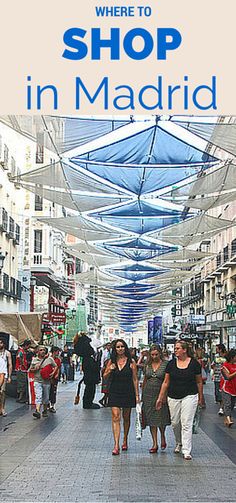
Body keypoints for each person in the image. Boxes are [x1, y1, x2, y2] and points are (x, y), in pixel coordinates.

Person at [156, 340, 204, 461]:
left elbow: (199, 381)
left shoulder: (194, 364)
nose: (175, 350)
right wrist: (160, 397)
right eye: (175, 348)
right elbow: (166, 382)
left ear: (184, 350)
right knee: (175, 422)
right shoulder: (171, 364)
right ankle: (179, 442)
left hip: (190, 395)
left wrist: (200, 397)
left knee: (186, 422)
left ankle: (186, 450)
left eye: (177, 348)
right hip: (173, 396)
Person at [103, 339, 140, 455]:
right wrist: (110, 370)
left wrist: (137, 395)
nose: (120, 349)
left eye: (122, 347)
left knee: (126, 417)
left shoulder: (131, 362)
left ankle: (125, 439)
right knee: (115, 416)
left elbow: (135, 379)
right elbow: (104, 376)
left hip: (127, 391)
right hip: (115, 391)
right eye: (118, 347)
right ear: (115, 349)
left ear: (125, 348)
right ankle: (116, 445)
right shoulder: (111, 361)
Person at [142, 345, 170, 453]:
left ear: (160, 353)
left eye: (156, 354)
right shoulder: (147, 365)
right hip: (148, 394)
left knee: (161, 417)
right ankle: (154, 443)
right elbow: (145, 379)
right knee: (151, 418)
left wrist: (164, 395)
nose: (154, 357)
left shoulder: (165, 364)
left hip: (161, 393)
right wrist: (141, 394)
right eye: (152, 355)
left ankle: (162, 435)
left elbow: (167, 380)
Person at [73, 332, 101, 409]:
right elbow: (94, 368)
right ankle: (87, 403)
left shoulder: (87, 358)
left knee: (90, 389)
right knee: (90, 390)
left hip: (89, 378)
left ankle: (88, 403)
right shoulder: (88, 359)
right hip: (90, 378)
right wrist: (97, 363)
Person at [29, 345, 57, 419]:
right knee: (38, 396)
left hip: (46, 381)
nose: (42, 351)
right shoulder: (34, 360)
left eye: (44, 350)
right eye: (41, 350)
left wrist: (53, 373)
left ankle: (44, 410)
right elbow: (30, 370)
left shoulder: (50, 359)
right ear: (38, 351)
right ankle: (37, 411)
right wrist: (35, 369)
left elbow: (56, 366)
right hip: (37, 380)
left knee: (46, 397)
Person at [220, 348, 236, 427]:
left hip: (234, 388)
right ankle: (228, 419)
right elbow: (227, 377)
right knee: (227, 404)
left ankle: (227, 418)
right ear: (232, 357)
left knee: (232, 405)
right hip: (226, 388)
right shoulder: (225, 365)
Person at [211, 343, 226, 415]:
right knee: (217, 392)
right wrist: (213, 374)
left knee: (222, 392)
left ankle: (222, 408)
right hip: (217, 376)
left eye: (217, 349)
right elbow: (213, 365)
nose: (216, 350)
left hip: (224, 377)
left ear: (220, 349)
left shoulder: (227, 356)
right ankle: (222, 405)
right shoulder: (216, 357)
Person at [0, 339, 12, 416]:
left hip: (4, 374)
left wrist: (9, 376)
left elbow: (10, 365)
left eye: (1, 343)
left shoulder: (7, 353)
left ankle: (2, 408)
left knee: (2, 392)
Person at [49, 346, 61, 413]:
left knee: (53, 391)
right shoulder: (48, 358)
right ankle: (47, 405)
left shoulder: (58, 360)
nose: (58, 353)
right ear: (54, 352)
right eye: (57, 352)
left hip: (54, 378)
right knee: (47, 391)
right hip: (48, 377)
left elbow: (58, 367)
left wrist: (57, 374)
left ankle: (52, 406)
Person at [99, 343, 112, 407]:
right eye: (108, 346)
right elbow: (102, 360)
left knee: (109, 387)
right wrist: (102, 367)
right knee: (106, 387)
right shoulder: (104, 352)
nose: (109, 347)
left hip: (111, 369)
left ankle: (106, 401)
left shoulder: (112, 352)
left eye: (110, 346)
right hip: (105, 368)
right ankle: (104, 400)